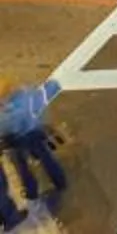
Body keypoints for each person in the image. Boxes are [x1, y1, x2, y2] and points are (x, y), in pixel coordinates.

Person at [0, 78, 64, 222]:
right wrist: (53, 84)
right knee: (46, 159)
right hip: (33, 133)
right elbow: (45, 94)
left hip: (14, 141)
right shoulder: (25, 98)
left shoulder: (3, 115)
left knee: (23, 168)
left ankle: (31, 193)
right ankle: (59, 181)